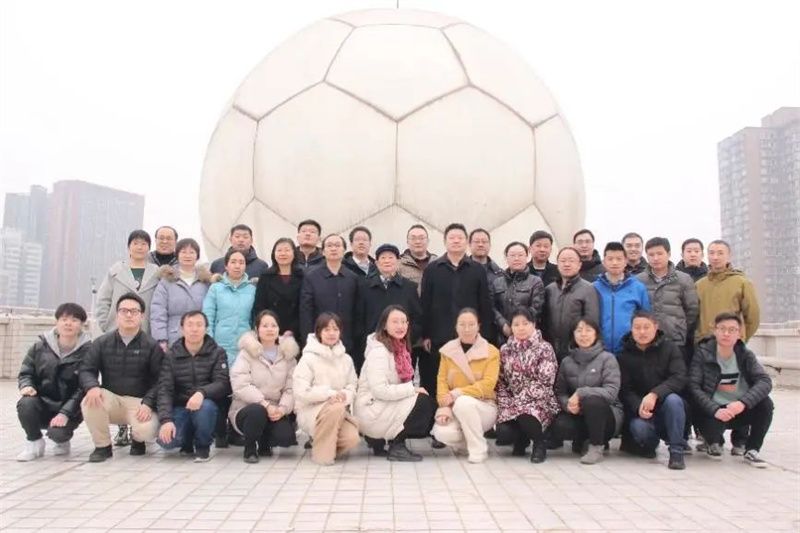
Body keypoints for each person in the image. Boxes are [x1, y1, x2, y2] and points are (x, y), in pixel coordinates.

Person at [80, 293, 163, 462]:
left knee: (147, 430)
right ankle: (102, 446)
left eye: (134, 311)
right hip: (112, 399)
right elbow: (86, 369)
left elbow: (160, 380)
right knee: (90, 401)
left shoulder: (152, 346)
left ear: (142, 316)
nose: (129, 315)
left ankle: (138, 440)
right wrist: (92, 386)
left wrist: (148, 403)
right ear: (117, 315)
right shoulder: (102, 343)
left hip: (139, 402)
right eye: (124, 311)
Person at [420, 223, 493, 404]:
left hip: (469, 335)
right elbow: (425, 303)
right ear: (445, 241)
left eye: (460, 237)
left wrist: (484, 334)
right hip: (439, 335)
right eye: (452, 237)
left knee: (465, 378)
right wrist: (425, 334)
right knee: (438, 377)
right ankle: (437, 412)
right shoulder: (432, 269)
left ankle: (463, 411)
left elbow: (484, 303)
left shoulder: (477, 270)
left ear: (466, 242)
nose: (456, 241)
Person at [690, 312, 773, 467]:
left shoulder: (745, 355)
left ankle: (752, 449)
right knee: (711, 434)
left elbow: (765, 381)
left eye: (732, 330)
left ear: (739, 333)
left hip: (737, 408)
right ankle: (712, 441)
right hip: (712, 411)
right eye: (722, 329)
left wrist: (743, 403)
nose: (726, 334)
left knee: (766, 404)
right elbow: (693, 387)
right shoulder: (702, 353)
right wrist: (715, 410)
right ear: (715, 330)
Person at [355, 306, 437, 461]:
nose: (400, 326)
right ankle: (396, 445)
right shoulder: (379, 352)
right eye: (395, 322)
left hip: (380, 406)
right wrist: (412, 389)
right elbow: (380, 390)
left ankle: (378, 440)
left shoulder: (399, 349)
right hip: (370, 410)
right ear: (384, 325)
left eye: (404, 322)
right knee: (423, 404)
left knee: (427, 403)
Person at [16, 303, 92, 461]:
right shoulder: (39, 347)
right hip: (42, 403)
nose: (68, 324)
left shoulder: (89, 351)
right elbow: (26, 372)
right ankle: (34, 442)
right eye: (64, 319)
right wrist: (26, 385)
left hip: (71, 409)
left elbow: (84, 387)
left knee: (58, 434)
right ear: (56, 322)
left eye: (74, 320)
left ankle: (62, 440)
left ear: (82, 324)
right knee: (25, 403)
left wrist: (65, 413)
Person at [156, 311, 230, 462]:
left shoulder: (217, 352)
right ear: (182, 329)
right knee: (167, 443)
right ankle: (187, 441)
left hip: (208, 406)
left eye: (199, 325)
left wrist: (202, 393)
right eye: (189, 325)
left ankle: (203, 447)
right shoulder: (171, 355)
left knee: (205, 408)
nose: (194, 329)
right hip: (181, 407)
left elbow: (223, 383)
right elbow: (165, 389)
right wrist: (166, 420)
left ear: (206, 329)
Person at [618, 311, 689, 470]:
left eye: (646, 327)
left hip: (667, 407)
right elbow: (625, 390)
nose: (642, 332)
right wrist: (639, 406)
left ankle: (676, 452)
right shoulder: (624, 356)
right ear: (631, 329)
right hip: (643, 412)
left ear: (656, 327)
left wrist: (655, 394)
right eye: (637, 328)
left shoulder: (670, 349)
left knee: (674, 401)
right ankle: (649, 445)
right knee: (639, 428)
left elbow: (679, 377)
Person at [230, 310, 300, 463]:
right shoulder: (246, 353)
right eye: (265, 326)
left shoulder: (288, 356)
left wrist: (282, 409)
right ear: (257, 329)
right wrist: (264, 404)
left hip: (276, 409)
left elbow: (291, 388)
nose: (270, 329)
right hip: (247, 408)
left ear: (279, 329)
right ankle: (249, 449)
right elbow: (241, 384)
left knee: (286, 437)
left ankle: (264, 443)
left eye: (273, 326)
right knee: (257, 412)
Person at [431, 308, 499, 464]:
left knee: (464, 402)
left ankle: (478, 449)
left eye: (471, 324)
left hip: (484, 407)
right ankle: (466, 445)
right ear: (456, 327)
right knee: (441, 433)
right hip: (454, 406)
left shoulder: (491, 352)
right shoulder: (447, 351)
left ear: (478, 326)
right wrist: (444, 407)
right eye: (462, 324)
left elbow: (488, 384)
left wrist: (458, 393)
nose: (466, 329)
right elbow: (442, 382)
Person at [551, 318, 623, 465]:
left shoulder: (607, 359)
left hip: (607, 415)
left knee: (592, 401)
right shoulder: (566, 362)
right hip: (580, 414)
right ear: (573, 334)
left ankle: (596, 446)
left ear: (596, 334)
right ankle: (583, 440)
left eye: (588, 330)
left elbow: (611, 392)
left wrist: (581, 393)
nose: (583, 334)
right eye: (579, 330)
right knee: (559, 424)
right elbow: (560, 392)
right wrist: (567, 405)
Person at [203, 248, 256, 447]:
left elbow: (254, 319)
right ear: (226, 265)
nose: (237, 266)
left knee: (240, 390)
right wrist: (209, 343)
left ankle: (236, 430)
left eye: (241, 262)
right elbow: (208, 316)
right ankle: (220, 432)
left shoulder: (252, 289)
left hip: (243, 349)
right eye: (233, 262)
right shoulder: (216, 289)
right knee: (220, 389)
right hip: (220, 347)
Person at [494, 308, 559, 463]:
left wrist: (519, 402)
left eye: (525, 323)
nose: (521, 328)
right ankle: (521, 438)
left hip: (540, 400)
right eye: (516, 324)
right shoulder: (505, 350)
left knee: (525, 414)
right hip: (512, 402)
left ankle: (539, 443)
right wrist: (505, 403)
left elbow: (545, 381)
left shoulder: (544, 348)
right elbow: (501, 381)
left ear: (534, 324)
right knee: (503, 431)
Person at [293, 313, 360, 466]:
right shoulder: (308, 358)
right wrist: (329, 395)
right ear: (319, 332)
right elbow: (300, 391)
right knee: (336, 407)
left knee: (352, 438)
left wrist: (344, 395)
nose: (331, 333)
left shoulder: (346, 359)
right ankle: (323, 456)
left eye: (335, 329)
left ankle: (319, 441)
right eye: (327, 329)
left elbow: (352, 385)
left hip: (338, 410)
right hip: (312, 410)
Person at [299, 234, 361, 362]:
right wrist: (309, 338)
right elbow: (306, 311)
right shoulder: (312, 276)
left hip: (347, 341)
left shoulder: (353, 278)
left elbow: (358, 311)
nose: (333, 249)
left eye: (337, 245)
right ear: (323, 251)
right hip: (320, 341)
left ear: (344, 250)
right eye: (329, 245)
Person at [358, 244, 423, 356]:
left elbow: (417, 319)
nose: (387, 261)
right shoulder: (364, 287)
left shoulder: (409, 287)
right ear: (377, 263)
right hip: (373, 347)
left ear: (398, 262)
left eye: (391, 257)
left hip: (402, 347)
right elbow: (359, 318)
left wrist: (406, 340)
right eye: (383, 258)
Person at [636, 237, 699, 351]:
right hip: (647, 341)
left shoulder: (683, 279)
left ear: (669, 254)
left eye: (659, 253)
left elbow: (692, 310)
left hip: (676, 340)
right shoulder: (638, 281)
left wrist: (680, 327)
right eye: (651, 255)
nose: (655, 258)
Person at [150, 238, 211, 349]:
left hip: (201, 338)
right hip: (174, 338)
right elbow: (158, 312)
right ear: (177, 255)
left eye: (191, 252)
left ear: (197, 256)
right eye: (183, 252)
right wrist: (161, 339)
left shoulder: (206, 281)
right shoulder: (166, 281)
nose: (187, 256)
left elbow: (211, 312)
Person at [95, 229, 160, 334]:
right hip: (116, 330)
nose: (139, 247)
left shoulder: (157, 273)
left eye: (144, 244)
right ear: (129, 247)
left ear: (149, 248)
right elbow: (103, 299)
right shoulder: (116, 271)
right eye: (135, 243)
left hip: (146, 331)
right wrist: (105, 324)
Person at [695, 240, 760, 342]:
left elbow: (753, 317)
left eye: (720, 253)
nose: (715, 257)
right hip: (704, 344)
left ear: (729, 256)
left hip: (732, 344)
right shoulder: (699, 285)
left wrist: (740, 339)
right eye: (711, 253)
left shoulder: (742, 283)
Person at [542, 247, 600, 362]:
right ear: (557, 264)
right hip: (550, 352)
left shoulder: (588, 289)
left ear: (579, 265)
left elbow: (592, 322)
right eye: (563, 261)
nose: (567, 264)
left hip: (576, 352)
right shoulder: (549, 289)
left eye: (571, 261)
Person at [593, 242, 651, 355]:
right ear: (604, 262)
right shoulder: (594, 288)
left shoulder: (638, 288)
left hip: (630, 350)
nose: (614, 262)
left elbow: (646, 318)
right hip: (600, 351)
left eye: (619, 259)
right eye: (610, 259)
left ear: (625, 262)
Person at [492, 241, 545, 345]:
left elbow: (536, 308)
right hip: (502, 336)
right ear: (506, 258)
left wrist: (518, 325)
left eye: (520, 255)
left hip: (527, 335)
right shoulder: (497, 282)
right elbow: (492, 307)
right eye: (512, 255)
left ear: (527, 257)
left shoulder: (535, 281)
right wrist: (503, 325)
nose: (516, 258)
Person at [252, 238, 304, 339]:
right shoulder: (266, 276)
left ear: (294, 253)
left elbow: (305, 307)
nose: (283, 254)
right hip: (271, 331)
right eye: (279, 250)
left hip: (297, 331)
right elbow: (259, 306)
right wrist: (267, 326)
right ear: (274, 254)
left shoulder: (302, 276)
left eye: (287, 250)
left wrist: (293, 330)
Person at [398, 224, 437, 289]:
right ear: (407, 242)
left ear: (428, 241)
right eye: (413, 238)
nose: (417, 242)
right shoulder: (398, 264)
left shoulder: (438, 263)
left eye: (421, 238)